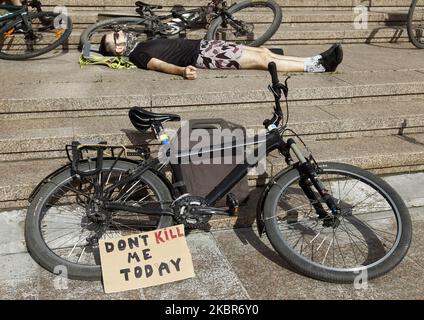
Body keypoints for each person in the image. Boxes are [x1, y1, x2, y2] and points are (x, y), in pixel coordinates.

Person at [99, 30, 343, 80]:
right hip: (205, 56)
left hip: (206, 46)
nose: (121, 33)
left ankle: (316, 60)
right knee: (262, 60)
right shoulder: (137, 55)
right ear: (119, 49)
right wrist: (182, 71)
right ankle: (319, 66)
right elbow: (158, 65)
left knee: (263, 51)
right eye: (116, 37)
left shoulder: (142, 43)